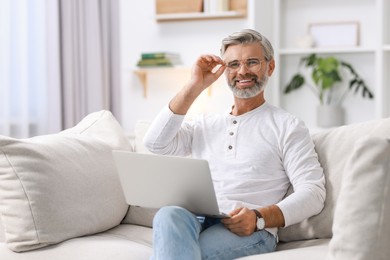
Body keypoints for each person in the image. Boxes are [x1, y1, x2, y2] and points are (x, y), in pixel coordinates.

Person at [143, 29, 326, 260]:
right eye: (233, 64)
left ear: (269, 67)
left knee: (180, 252)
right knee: (168, 214)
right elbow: (155, 143)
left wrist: (259, 217)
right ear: (224, 70)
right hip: (195, 219)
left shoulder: (287, 126)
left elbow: (313, 192)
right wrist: (195, 85)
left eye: (252, 62)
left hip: (249, 230)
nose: (242, 71)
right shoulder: (205, 123)